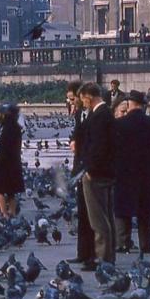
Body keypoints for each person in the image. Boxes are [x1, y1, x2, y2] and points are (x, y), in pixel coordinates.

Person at [113, 90, 150, 254]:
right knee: (145, 210)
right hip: (146, 172)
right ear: (143, 105)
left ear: (129, 104)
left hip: (124, 172)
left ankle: (123, 242)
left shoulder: (120, 124)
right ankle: (145, 244)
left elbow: (112, 147)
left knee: (123, 209)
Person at [78, 82, 117, 266]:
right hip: (106, 171)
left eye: (82, 99)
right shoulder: (104, 113)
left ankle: (103, 258)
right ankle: (107, 256)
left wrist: (91, 170)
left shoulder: (100, 116)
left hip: (97, 173)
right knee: (106, 215)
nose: (82, 103)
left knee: (98, 219)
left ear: (88, 96)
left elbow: (98, 147)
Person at [66, 81, 95, 266]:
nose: (70, 102)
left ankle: (90, 254)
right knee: (82, 212)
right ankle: (83, 252)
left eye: (72, 98)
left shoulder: (91, 114)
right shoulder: (79, 114)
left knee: (89, 213)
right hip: (79, 167)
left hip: (87, 168)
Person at [0, 103, 24, 220]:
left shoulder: (6, 129)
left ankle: (4, 214)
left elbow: (3, 149)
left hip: (4, 164)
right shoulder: (16, 127)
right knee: (11, 191)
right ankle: (12, 213)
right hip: (14, 163)